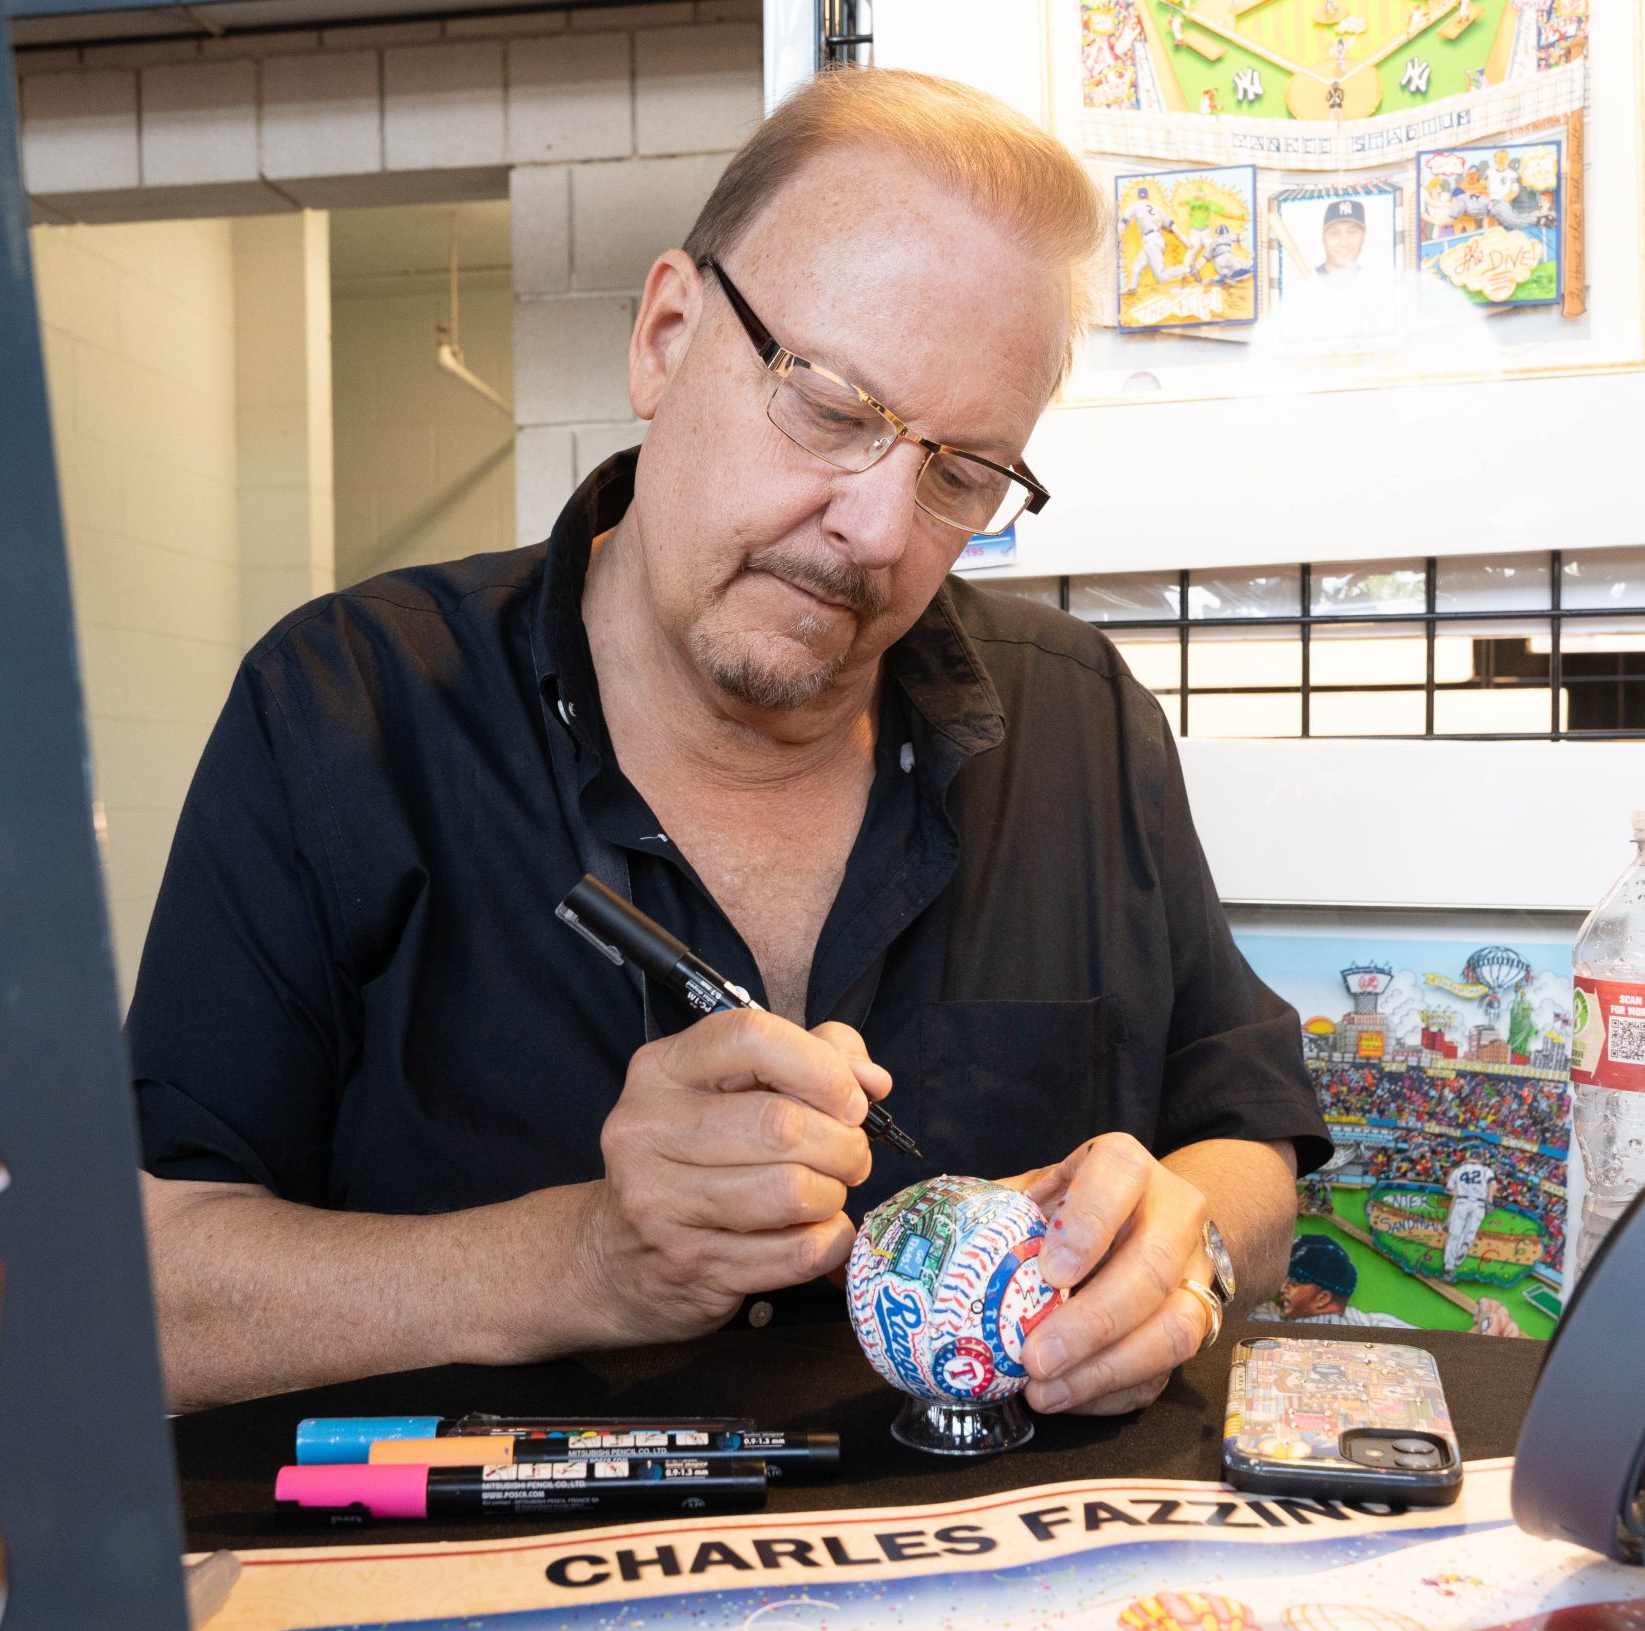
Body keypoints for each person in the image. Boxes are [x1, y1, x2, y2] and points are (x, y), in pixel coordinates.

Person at [130, 67, 1332, 1417]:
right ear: (664, 335)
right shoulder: (344, 710)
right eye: (828, 404)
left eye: (961, 473)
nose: (877, 528)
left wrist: (1187, 1251)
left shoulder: (1079, 714)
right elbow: (143, 1287)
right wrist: (579, 1260)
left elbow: (1247, 1133)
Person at [1262, 1233, 1528, 1335]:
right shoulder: (1374, 1325)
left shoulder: (1374, 1328)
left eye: (1293, 1282)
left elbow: (1439, 1356)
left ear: (1322, 1298)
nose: (1282, 1287)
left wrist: (1484, 1336)